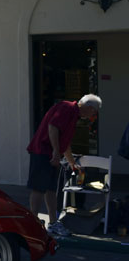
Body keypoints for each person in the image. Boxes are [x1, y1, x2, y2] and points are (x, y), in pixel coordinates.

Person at [26, 94, 102, 238]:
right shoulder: (67, 108)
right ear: (89, 107)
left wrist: (72, 163)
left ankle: (53, 223)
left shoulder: (74, 116)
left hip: (52, 154)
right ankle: (33, 222)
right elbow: (53, 127)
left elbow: (65, 143)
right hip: (43, 151)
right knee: (39, 188)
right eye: (94, 111)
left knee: (51, 189)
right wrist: (55, 151)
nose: (93, 115)